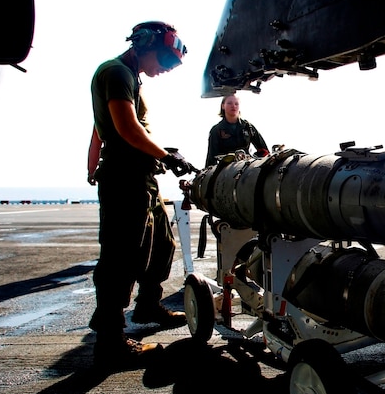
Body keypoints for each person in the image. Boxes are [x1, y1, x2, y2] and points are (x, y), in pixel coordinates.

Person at [87, 20, 197, 370]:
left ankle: (149, 305)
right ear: (145, 45)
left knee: (161, 242)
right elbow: (125, 127)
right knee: (120, 256)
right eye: (164, 62)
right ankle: (110, 341)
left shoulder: (129, 76)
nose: (163, 71)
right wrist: (166, 155)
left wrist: (91, 164)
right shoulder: (116, 73)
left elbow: (99, 128)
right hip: (124, 177)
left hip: (140, 174)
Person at [204, 93, 269, 167]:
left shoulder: (248, 127)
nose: (233, 106)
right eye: (229, 103)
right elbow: (211, 158)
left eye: (236, 104)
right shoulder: (216, 130)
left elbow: (264, 151)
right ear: (223, 106)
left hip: (246, 168)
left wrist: (256, 160)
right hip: (225, 171)